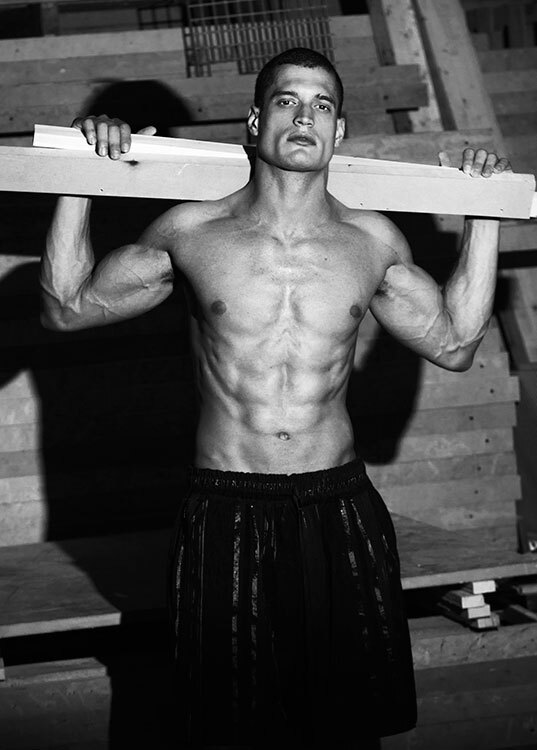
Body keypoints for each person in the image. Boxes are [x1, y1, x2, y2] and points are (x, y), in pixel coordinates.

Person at [40, 48, 511, 749]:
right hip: (226, 505)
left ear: (339, 131)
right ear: (256, 121)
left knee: (348, 729)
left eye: (322, 105)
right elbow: (66, 307)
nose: (305, 117)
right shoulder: (193, 232)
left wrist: (484, 212)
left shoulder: (371, 239)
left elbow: (455, 344)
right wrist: (77, 176)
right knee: (228, 728)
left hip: (339, 505)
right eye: (287, 100)